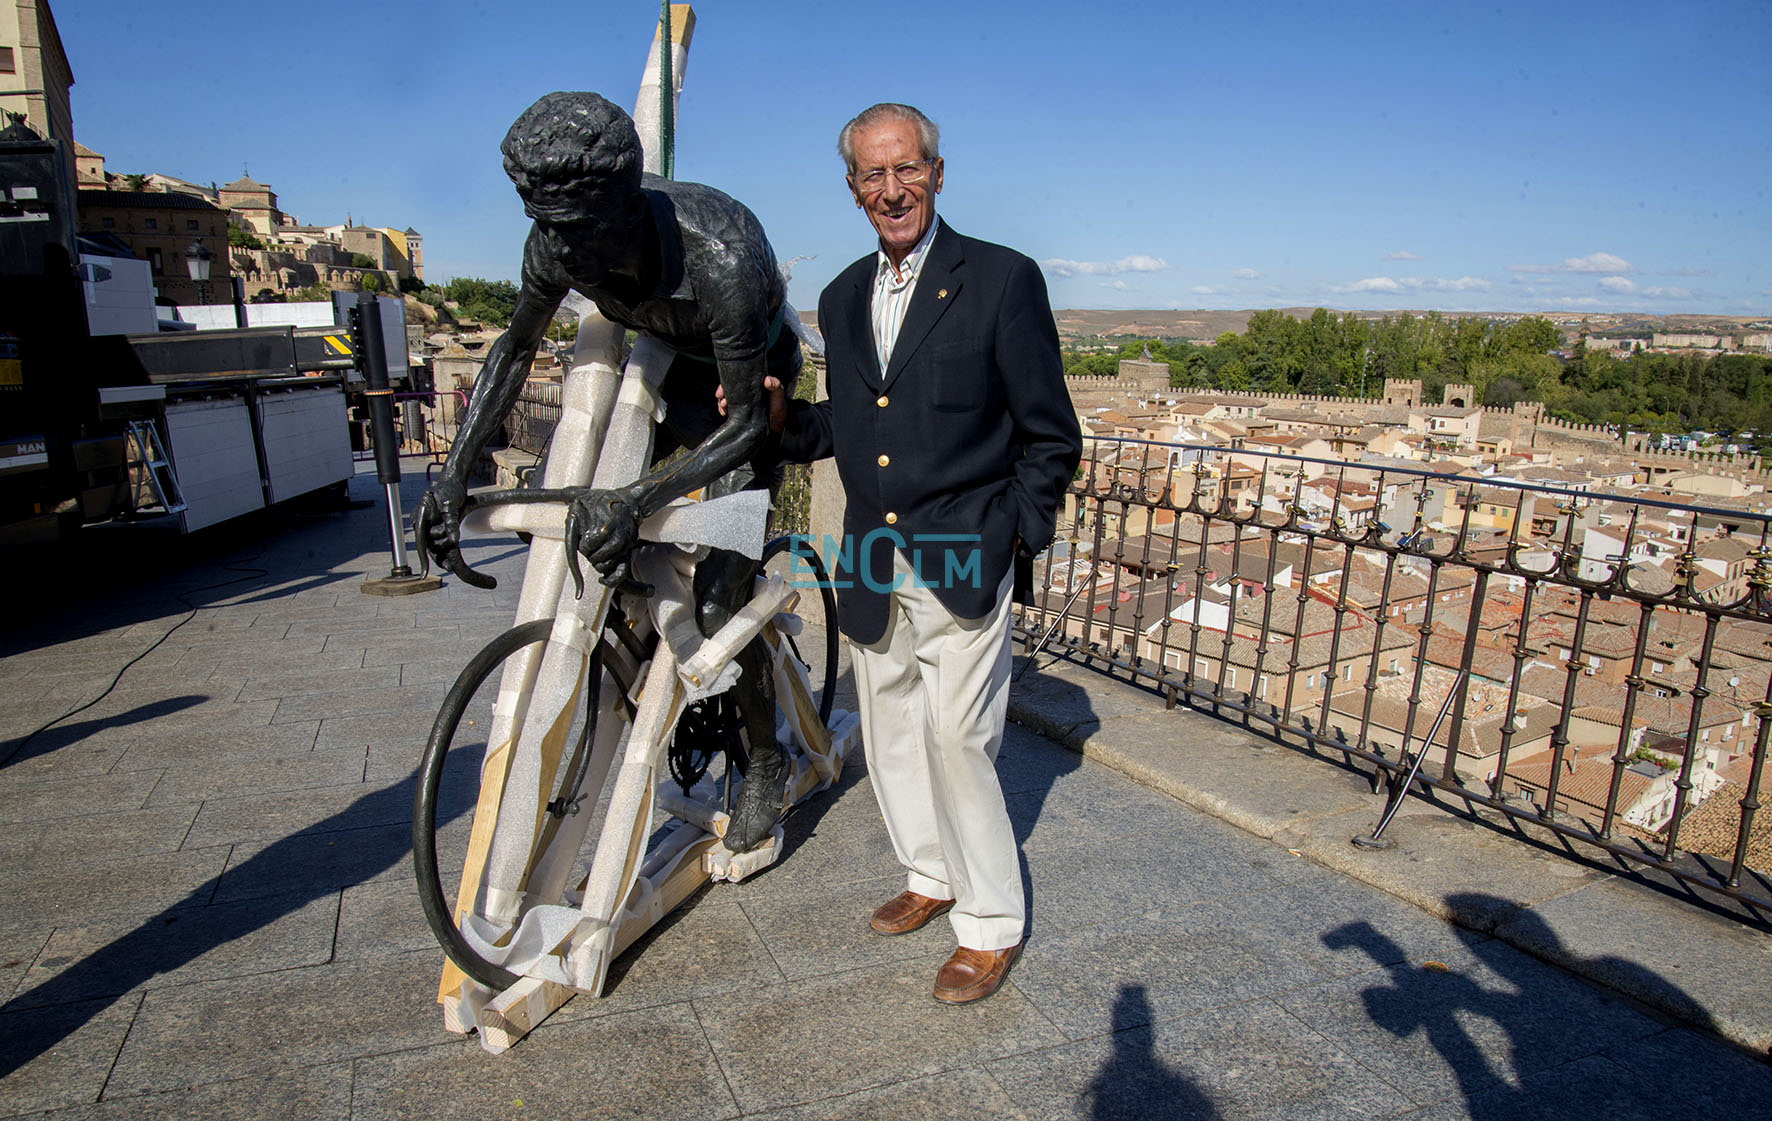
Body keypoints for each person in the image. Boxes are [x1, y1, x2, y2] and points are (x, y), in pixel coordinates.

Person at [744, 102, 1081, 1003]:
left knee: (958, 737)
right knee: (889, 727)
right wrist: (785, 424)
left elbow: (1052, 436)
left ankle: (989, 922)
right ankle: (929, 873)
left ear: (938, 172)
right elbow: (849, 427)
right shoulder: (844, 295)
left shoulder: (1004, 280)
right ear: (852, 189)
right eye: (872, 175)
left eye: (907, 169)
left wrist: (1014, 530)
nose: (891, 188)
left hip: (968, 548)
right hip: (869, 556)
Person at [419, 90, 803, 853]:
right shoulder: (557, 238)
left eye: (585, 232)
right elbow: (512, 349)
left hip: (744, 394)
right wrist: (454, 468)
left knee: (724, 596)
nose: (570, 253)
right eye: (550, 228)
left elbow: (747, 423)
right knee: (608, 554)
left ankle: (768, 757)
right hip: (665, 377)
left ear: (628, 201)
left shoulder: (722, 253)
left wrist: (633, 498)